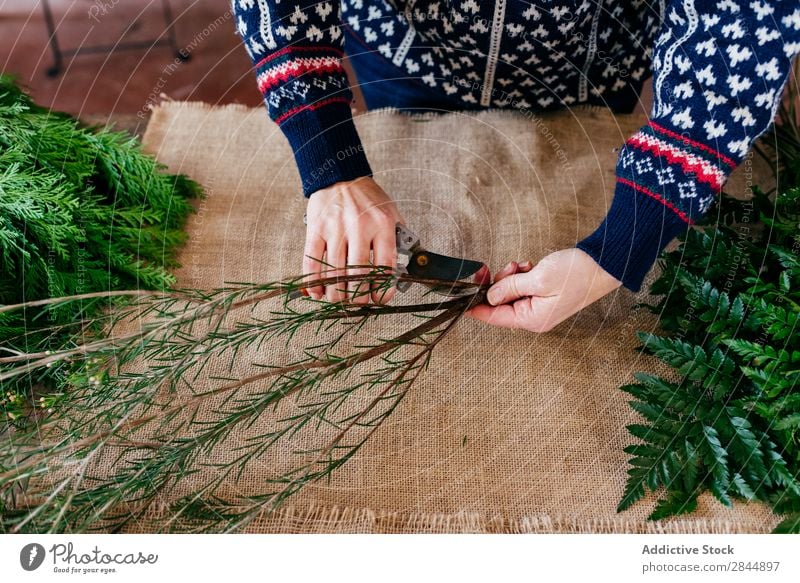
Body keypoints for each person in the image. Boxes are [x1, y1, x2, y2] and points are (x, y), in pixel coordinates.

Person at [232, 0, 800, 332]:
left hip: (593, 63)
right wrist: (329, 162)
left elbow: (747, 21)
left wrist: (622, 245)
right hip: (399, 46)